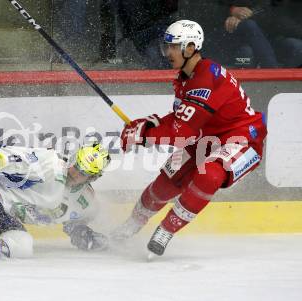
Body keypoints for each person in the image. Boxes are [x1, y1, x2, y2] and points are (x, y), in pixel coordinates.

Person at [111, 20, 267, 256]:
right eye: (167, 47)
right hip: (206, 137)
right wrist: (149, 124)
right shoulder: (187, 77)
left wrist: (144, 135)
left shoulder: (205, 78)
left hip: (243, 138)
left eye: (173, 47)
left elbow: (181, 132)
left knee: (211, 173)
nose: (168, 52)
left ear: (191, 48)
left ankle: (167, 229)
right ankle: (129, 226)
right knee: (164, 184)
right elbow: (181, 119)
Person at [221, 0, 302, 67]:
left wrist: (245, 16)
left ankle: (285, 80)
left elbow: (273, 12)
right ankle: (273, 73)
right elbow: (211, 8)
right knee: (246, 53)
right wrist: (231, 10)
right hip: (235, 41)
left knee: (298, 47)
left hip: (271, 37)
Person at [117, 0, 178, 69]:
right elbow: (171, 8)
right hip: (153, 30)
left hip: (148, 31)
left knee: (157, 62)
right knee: (159, 62)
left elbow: (124, 21)